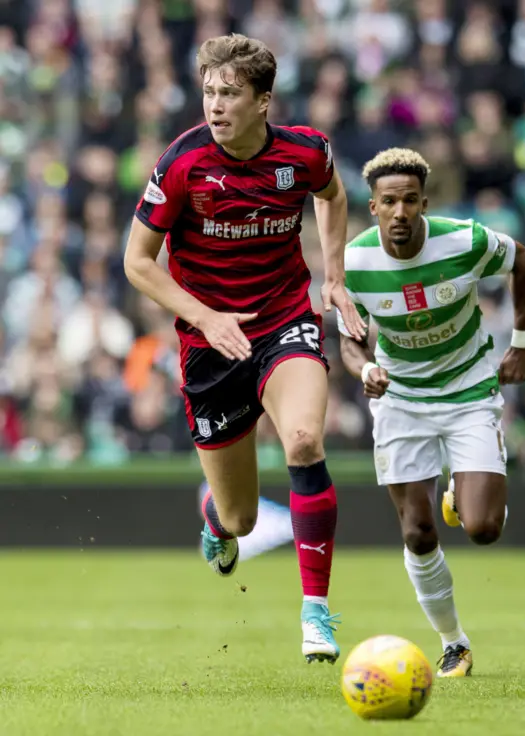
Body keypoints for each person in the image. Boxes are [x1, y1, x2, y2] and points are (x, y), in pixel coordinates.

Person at [123, 33, 367, 664]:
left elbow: (333, 196)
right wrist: (205, 317)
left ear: (263, 101)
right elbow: (137, 263)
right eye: (209, 92)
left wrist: (333, 277)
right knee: (241, 520)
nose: (215, 104)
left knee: (306, 441)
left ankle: (316, 613)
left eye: (229, 93)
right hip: (211, 343)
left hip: (284, 317)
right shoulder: (181, 163)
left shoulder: (305, 152)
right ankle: (215, 516)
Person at [338, 148, 525, 678]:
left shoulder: (465, 240)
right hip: (401, 399)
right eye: (388, 202)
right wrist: (363, 370)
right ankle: (454, 643)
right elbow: (351, 343)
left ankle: (466, 494)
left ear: (424, 203)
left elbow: (521, 258)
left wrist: (522, 342)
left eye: (408, 201)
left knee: (484, 528)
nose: (399, 212)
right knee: (418, 532)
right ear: (373, 207)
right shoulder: (353, 263)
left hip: (469, 389)